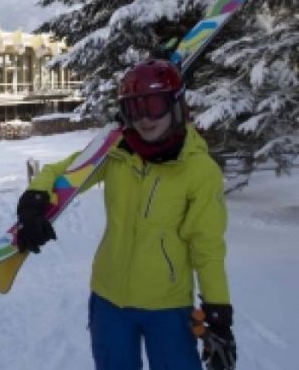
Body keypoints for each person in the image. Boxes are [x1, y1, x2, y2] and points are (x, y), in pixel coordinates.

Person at [17, 59, 236, 370]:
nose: (145, 119)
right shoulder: (114, 153)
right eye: (135, 108)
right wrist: (34, 200)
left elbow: (207, 247)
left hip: (168, 306)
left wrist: (218, 314)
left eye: (154, 105)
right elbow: (60, 172)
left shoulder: (200, 171)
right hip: (109, 301)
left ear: (176, 105)